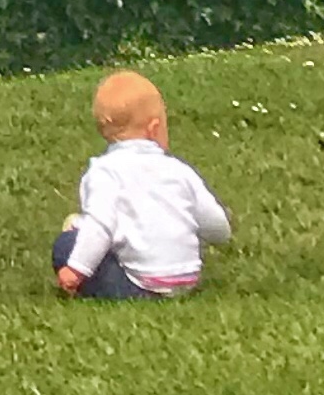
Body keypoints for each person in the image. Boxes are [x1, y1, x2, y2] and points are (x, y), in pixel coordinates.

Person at [53, 69, 232, 300]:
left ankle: (87, 248)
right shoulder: (178, 170)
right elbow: (218, 228)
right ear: (154, 128)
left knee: (67, 244)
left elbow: (100, 226)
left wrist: (77, 269)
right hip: (185, 282)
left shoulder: (105, 172)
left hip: (138, 287)